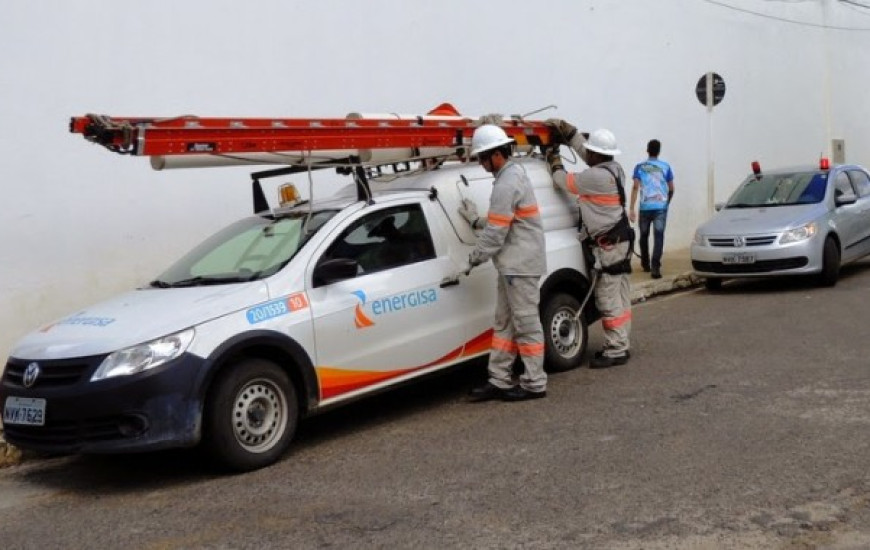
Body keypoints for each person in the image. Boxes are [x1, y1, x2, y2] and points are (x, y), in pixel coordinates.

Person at [454, 124, 548, 402]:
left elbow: (496, 233)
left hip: (521, 265)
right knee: (504, 324)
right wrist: (474, 221)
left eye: (483, 158)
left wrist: (472, 259)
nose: (481, 164)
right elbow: (500, 220)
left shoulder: (507, 182)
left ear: (497, 154)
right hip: (513, 266)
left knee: (526, 324)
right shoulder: (512, 175)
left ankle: (534, 383)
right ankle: (499, 379)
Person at [544, 120, 632, 368]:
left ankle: (616, 349)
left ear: (598, 155)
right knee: (620, 296)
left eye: (590, 152)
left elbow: (562, 180)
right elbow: (587, 154)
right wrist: (570, 133)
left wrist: (553, 158)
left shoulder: (594, 178)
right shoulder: (614, 169)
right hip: (619, 241)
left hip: (609, 246)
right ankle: (622, 342)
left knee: (607, 297)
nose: (586, 155)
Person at [630, 139, 675, 279]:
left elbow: (635, 187)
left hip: (645, 207)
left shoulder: (640, 167)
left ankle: (645, 262)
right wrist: (667, 202)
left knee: (643, 236)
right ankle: (655, 267)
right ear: (659, 151)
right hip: (661, 206)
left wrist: (631, 208)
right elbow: (672, 188)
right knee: (659, 236)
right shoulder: (665, 167)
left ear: (647, 150)